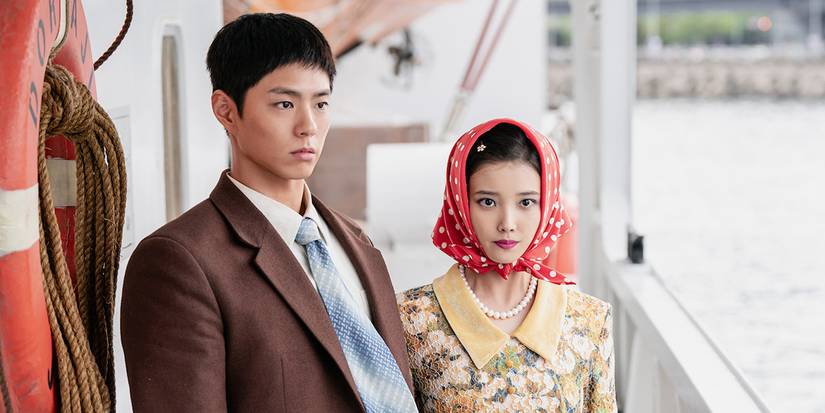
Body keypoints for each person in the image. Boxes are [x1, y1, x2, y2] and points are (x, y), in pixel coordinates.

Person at [121, 13, 417, 412]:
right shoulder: (180, 262)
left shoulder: (355, 242)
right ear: (226, 111)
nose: (308, 126)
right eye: (284, 103)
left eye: (322, 103)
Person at [397, 118, 616, 412]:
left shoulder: (589, 321)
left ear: (548, 205)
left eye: (526, 203)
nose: (507, 224)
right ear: (460, 203)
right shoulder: (410, 320)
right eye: (487, 202)